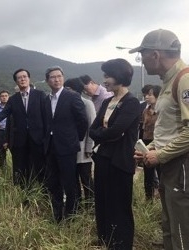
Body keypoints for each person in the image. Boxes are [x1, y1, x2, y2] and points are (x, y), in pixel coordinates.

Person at [131, 29, 189, 250]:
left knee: (182, 225)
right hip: (170, 164)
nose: (141, 61)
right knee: (169, 221)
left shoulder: (184, 79)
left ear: (155, 54)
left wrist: (161, 154)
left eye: (142, 54)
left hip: (181, 165)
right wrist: (151, 147)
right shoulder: (168, 80)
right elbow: (169, 128)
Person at [89, 58, 140, 249]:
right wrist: (105, 135)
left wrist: (103, 134)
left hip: (120, 161)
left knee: (119, 204)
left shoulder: (132, 102)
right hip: (102, 158)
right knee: (102, 201)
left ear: (119, 76)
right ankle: (105, 238)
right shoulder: (108, 101)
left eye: (108, 75)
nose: (104, 80)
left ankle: (122, 244)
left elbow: (116, 131)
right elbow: (92, 129)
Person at [0, 68, 47, 187]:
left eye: (24, 76)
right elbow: (4, 113)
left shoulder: (40, 95)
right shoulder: (13, 99)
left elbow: (47, 115)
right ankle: (23, 192)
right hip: (20, 139)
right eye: (19, 78)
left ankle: (42, 191)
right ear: (16, 81)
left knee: (39, 166)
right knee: (20, 166)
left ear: (29, 79)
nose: (22, 79)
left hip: (37, 138)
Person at [43, 67, 88, 221]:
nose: (56, 79)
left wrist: (75, 139)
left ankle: (71, 215)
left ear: (63, 77)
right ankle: (57, 215)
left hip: (67, 147)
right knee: (53, 182)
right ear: (47, 80)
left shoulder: (72, 96)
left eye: (59, 76)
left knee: (70, 183)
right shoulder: (46, 99)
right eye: (52, 77)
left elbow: (83, 120)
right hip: (50, 146)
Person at [64, 77, 96, 205]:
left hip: (83, 151)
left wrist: (89, 148)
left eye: (68, 89)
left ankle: (90, 204)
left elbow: (91, 127)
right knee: (73, 180)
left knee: (86, 179)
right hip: (70, 150)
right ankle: (77, 204)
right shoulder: (66, 104)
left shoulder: (87, 103)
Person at [141, 84, 161, 200]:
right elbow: (143, 128)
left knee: (161, 171)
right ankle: (149, 198)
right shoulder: (145, 111)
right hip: (147, 143)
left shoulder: (162, 111)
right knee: (147, 173)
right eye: (145, 95)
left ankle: (162, 196)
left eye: (149, 95)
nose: (146, 97)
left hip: (159, 143)